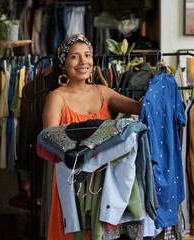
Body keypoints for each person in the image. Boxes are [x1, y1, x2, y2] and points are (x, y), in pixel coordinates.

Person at [42, 34, 143, 240]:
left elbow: (140, 108)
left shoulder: (103, 92)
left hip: (104, 179)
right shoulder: (56, 98)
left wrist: (160, 86)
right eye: (74, 57)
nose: (83, 62)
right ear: (63, 63)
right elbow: (48, 141)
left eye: (87, 55)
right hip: (71, 181)